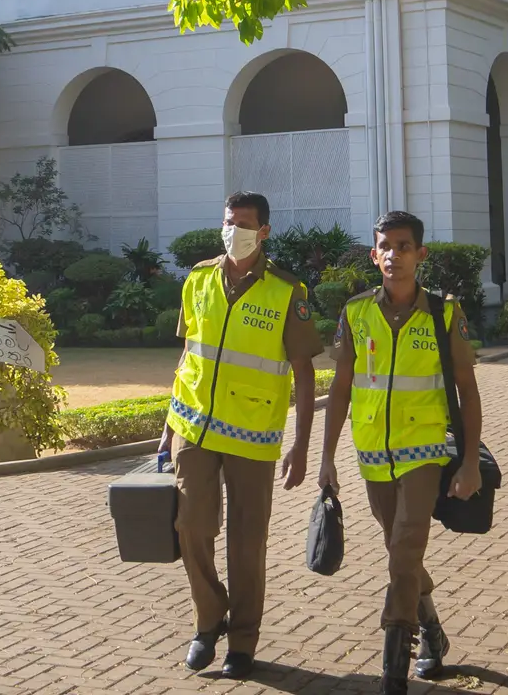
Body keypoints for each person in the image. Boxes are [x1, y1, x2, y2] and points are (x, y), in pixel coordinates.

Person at [318, 210, 483, 695]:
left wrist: (470, 460)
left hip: (424, 453)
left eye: (404, 246)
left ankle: (394, 665)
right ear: (374, 255)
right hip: (372, 453)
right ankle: (432, 632)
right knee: (400, 553)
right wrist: (327, 458)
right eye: (385, 246)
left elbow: (468, 391)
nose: (394, 255)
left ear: (420, 254)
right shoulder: (356, 312)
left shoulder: (444, 313)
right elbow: (341, 391)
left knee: (406, 546)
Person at [156, 191, 319, 679]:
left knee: (248, 543)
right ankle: (209, 620)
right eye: (229, 221)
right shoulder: (199, 279)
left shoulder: (287, 291)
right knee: (191, 528)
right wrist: (168, 426)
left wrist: (302, 444)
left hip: (252, 435)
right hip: (193, 428)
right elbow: (188, 355)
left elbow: (304, 373)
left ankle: (242, 641)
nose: (234, 230)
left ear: (264, 232)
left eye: (244, 224)